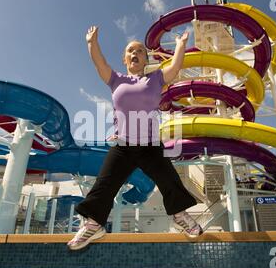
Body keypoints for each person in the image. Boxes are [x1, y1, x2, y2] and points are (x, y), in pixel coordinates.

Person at [67, 26, 203, 250]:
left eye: (140, 51)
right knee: (104, 184)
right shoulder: (116, 80)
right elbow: (100, 64)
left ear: (145, 58)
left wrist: (180, 45)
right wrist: (92, 43)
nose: (135, 53)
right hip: (123, 146)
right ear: (125, 59)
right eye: (131, 51)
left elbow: (175, 67)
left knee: (169, 179)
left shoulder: (156, 79)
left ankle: (180, 217)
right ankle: (93, 225)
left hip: (149, 145)